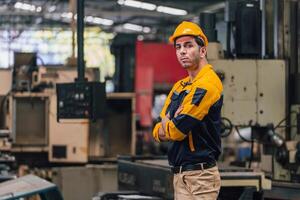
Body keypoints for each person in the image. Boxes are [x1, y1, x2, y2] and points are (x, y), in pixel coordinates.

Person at [152, 21, 223, 199]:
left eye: (188, 45)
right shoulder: (180, 86)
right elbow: (156, 130)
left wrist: (168, 125)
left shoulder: (207, 84)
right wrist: (168, 124)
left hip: (201, 179)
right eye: (178, 47)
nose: (182, 51)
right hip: (180, 176)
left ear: (202, 50)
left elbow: (177, 131)